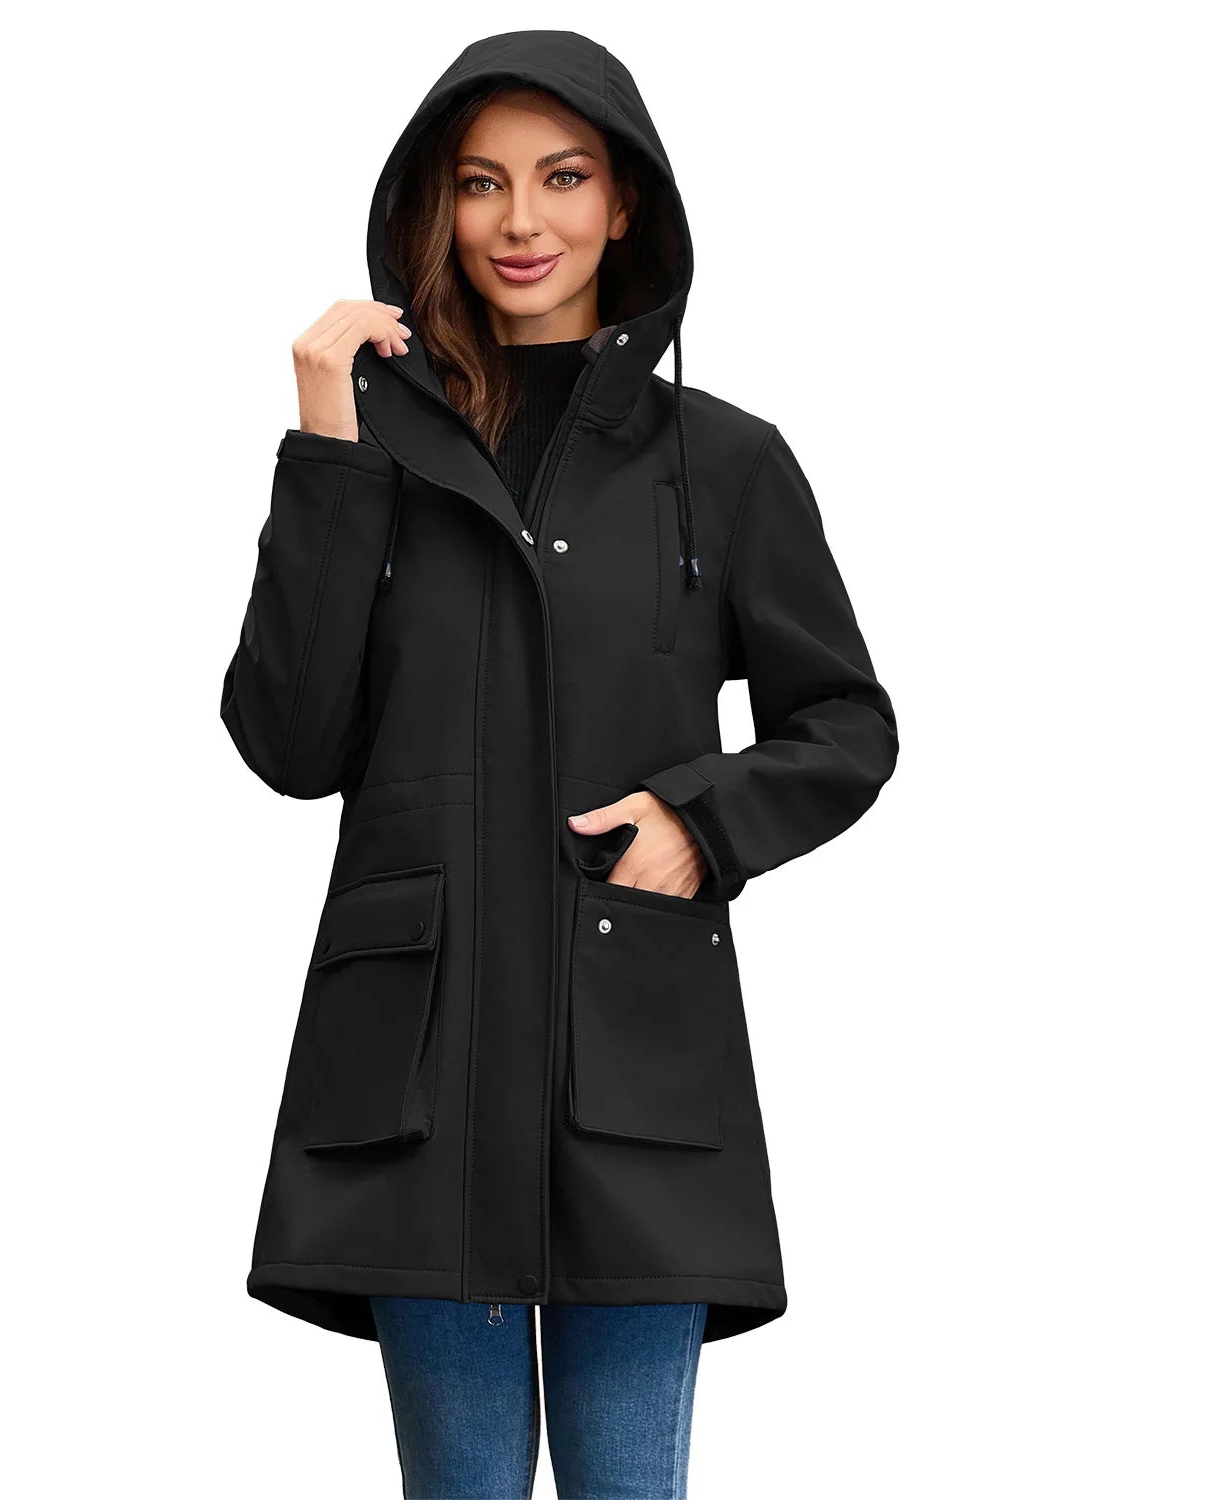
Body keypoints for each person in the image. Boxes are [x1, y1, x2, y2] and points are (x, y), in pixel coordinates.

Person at [219, 28, 899, 1500]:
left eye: (563, 177)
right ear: (435, 207)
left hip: (632, 1056)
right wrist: (327, 448)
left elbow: (848, 723)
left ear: (625, 201)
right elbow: (290, 743)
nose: (521, 221)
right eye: (481, 184)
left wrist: (703, 823)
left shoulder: (724, 461)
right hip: (420, 1065)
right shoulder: (370, 453)